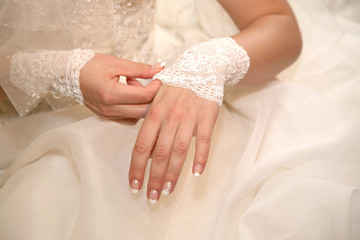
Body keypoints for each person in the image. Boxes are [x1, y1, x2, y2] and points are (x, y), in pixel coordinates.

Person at [0, 0, 359, 239]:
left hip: (166, 83)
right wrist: (55, 72)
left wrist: (208, 65)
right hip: (23, 125)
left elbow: (276, 21)